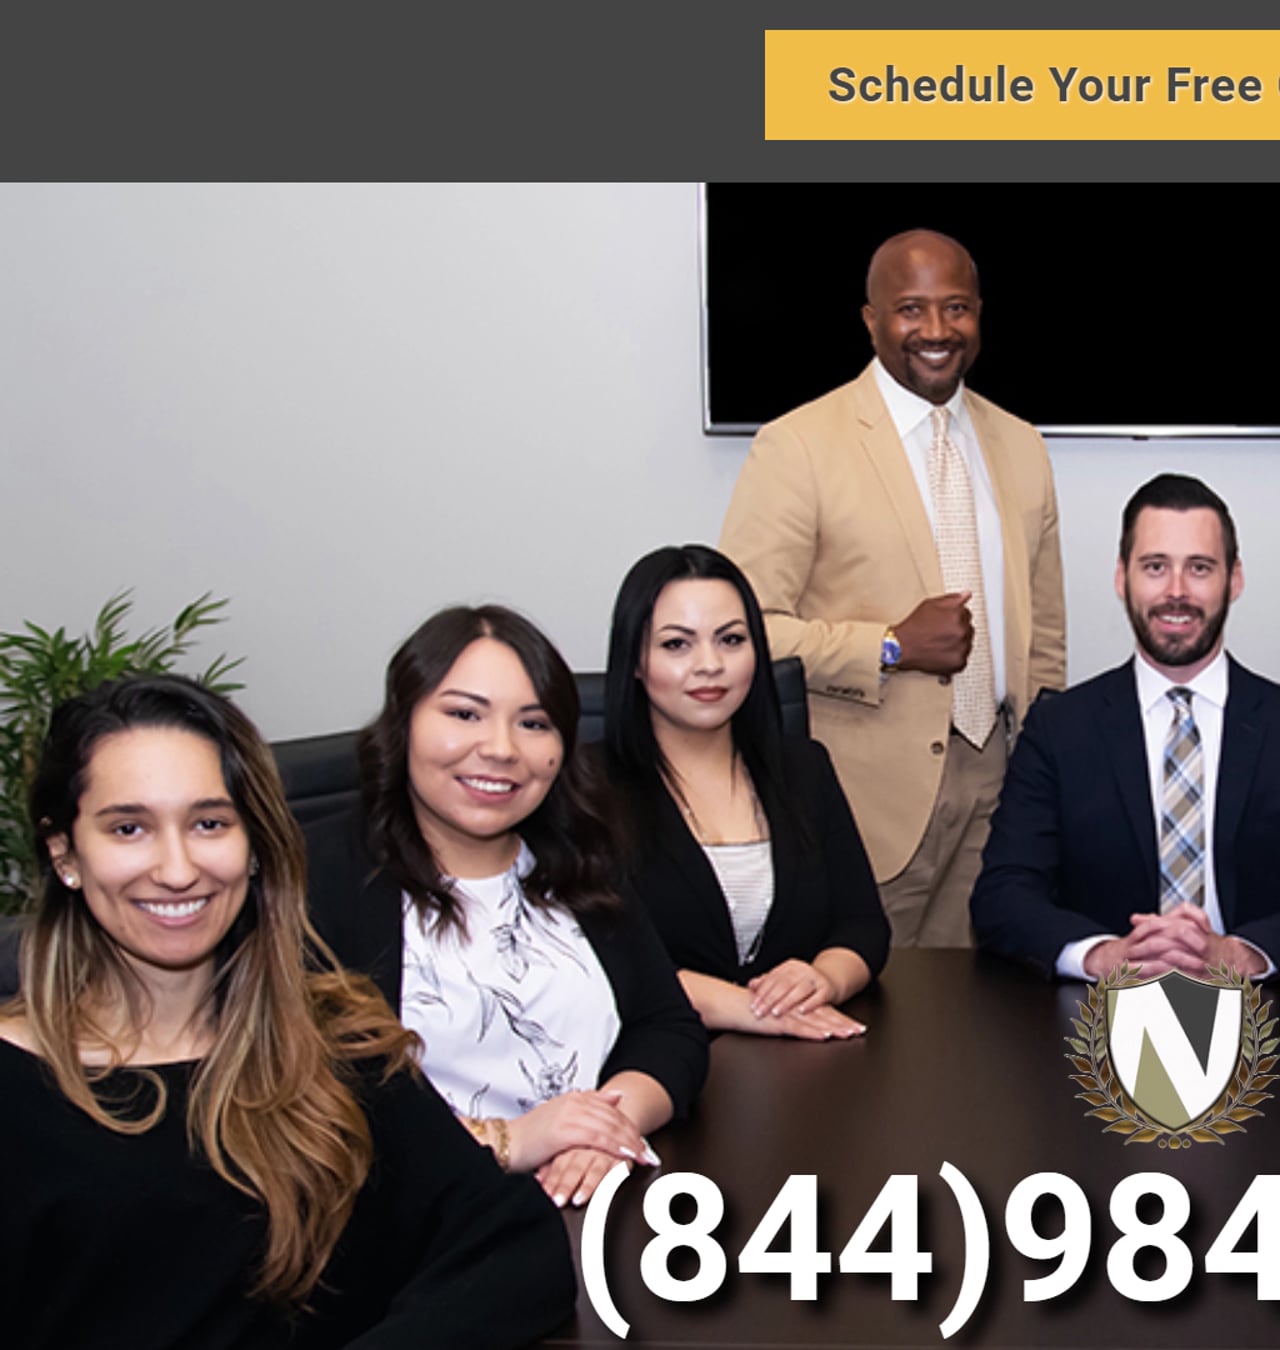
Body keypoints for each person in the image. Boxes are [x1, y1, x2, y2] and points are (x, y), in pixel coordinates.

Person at [0, 675, 572, 1348]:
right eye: (129, 828)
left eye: (209, 823)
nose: (178, 869)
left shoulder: (335, 1041)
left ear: (253, 845)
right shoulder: (15, 1089)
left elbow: (513, 1245)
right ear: (65, 854)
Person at [721, 228, 1066, 948]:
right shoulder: (798, 446)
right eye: (911, 309)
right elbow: (742, 633)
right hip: (866, 803)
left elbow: (1044, 635)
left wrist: (1045, 771)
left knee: (987, 1002)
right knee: (869, 1002)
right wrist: (889, 646)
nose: (937, 330)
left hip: (1000, 791)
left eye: (956, 308)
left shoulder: (1022, 445)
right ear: (871, 320)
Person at [307, 605, 708, 1208]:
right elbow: (303, 1103)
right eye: (464, 714)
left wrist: (601, 1128)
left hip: (592, 1211)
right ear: (404, 721)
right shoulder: (319, 875)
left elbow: (667, 1027)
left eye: (533, 723)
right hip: (417, 1228)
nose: (501, 749)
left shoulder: (577, 856)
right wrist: (513, 1140)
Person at [972, 474, 1280, 979]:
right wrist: (1103, 956)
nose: (1176, 591)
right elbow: (1002, 895)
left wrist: (1239, 955)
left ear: (1234, 580)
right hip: (1100, 1009)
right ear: (1122, 578)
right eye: (1155, 567)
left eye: (1200, 568)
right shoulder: (1057, 730)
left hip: (1263, 1010)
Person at [603, 544, 890, 1039]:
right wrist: (757, 1010)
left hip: (806, 1054)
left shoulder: (804, 767)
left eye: (731, 640)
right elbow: (603, 959)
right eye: (677, 644)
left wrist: (822, 979)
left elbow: (862, 925)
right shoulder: (588, 787)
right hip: (653, 1055)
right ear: (635, 660)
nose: (709, 664)